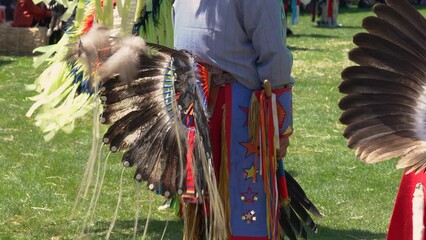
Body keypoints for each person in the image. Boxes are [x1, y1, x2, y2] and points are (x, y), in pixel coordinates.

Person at [172, 1, 316, 239]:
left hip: (194, 109)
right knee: (246, 212)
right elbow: (274, 58)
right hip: (238, 112)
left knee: (207, 216)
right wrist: (281, 130)